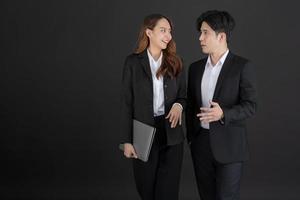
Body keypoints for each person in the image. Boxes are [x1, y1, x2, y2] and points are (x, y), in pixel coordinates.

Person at [186, 10, 257, 200]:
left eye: (205, 32)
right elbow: (191, 104)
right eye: (200, 32)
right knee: (206, 196)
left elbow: (251, 106)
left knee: (226, 197)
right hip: (201, 144)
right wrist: (192, 138)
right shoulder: (195, 68)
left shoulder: (242, 66)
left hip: (230, 146)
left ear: (222, 36)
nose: (200, 38)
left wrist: (223, 113)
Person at [120, 14, 186, 200]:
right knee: (146, 188)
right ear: (149, 32)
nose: (168, 36)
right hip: (143, 131)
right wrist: (127, 141)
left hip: (171, 132)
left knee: (169, 190)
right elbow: (126, 102)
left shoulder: (176, 61)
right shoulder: (133, 62)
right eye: (163, 30)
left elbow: (183, 96)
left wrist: (179, 106)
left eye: (170, 31)